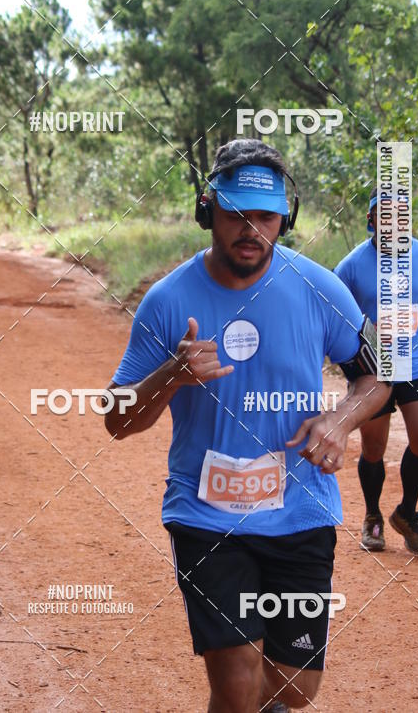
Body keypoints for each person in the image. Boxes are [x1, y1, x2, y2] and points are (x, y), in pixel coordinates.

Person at [105, 139, 390, 713]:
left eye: (265, 216)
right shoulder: (167, 300)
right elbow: (116, 419)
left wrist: (338, 422)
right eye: (235, 213)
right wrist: (172, 375)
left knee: (291, 691)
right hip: (206, 515)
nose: (250, 230)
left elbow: (378, 379)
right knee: (236, 688)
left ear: (286, 218)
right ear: (207, 209)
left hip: (302, 511)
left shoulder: (319, 288)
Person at [334, 187, 418, 555]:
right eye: (384, 217)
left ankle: (406, 512)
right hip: (375, 366)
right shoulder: (352, 265)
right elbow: (335, 312)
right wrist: (351, 358)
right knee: (374, 447)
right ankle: (372, 516)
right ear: (371, 220)